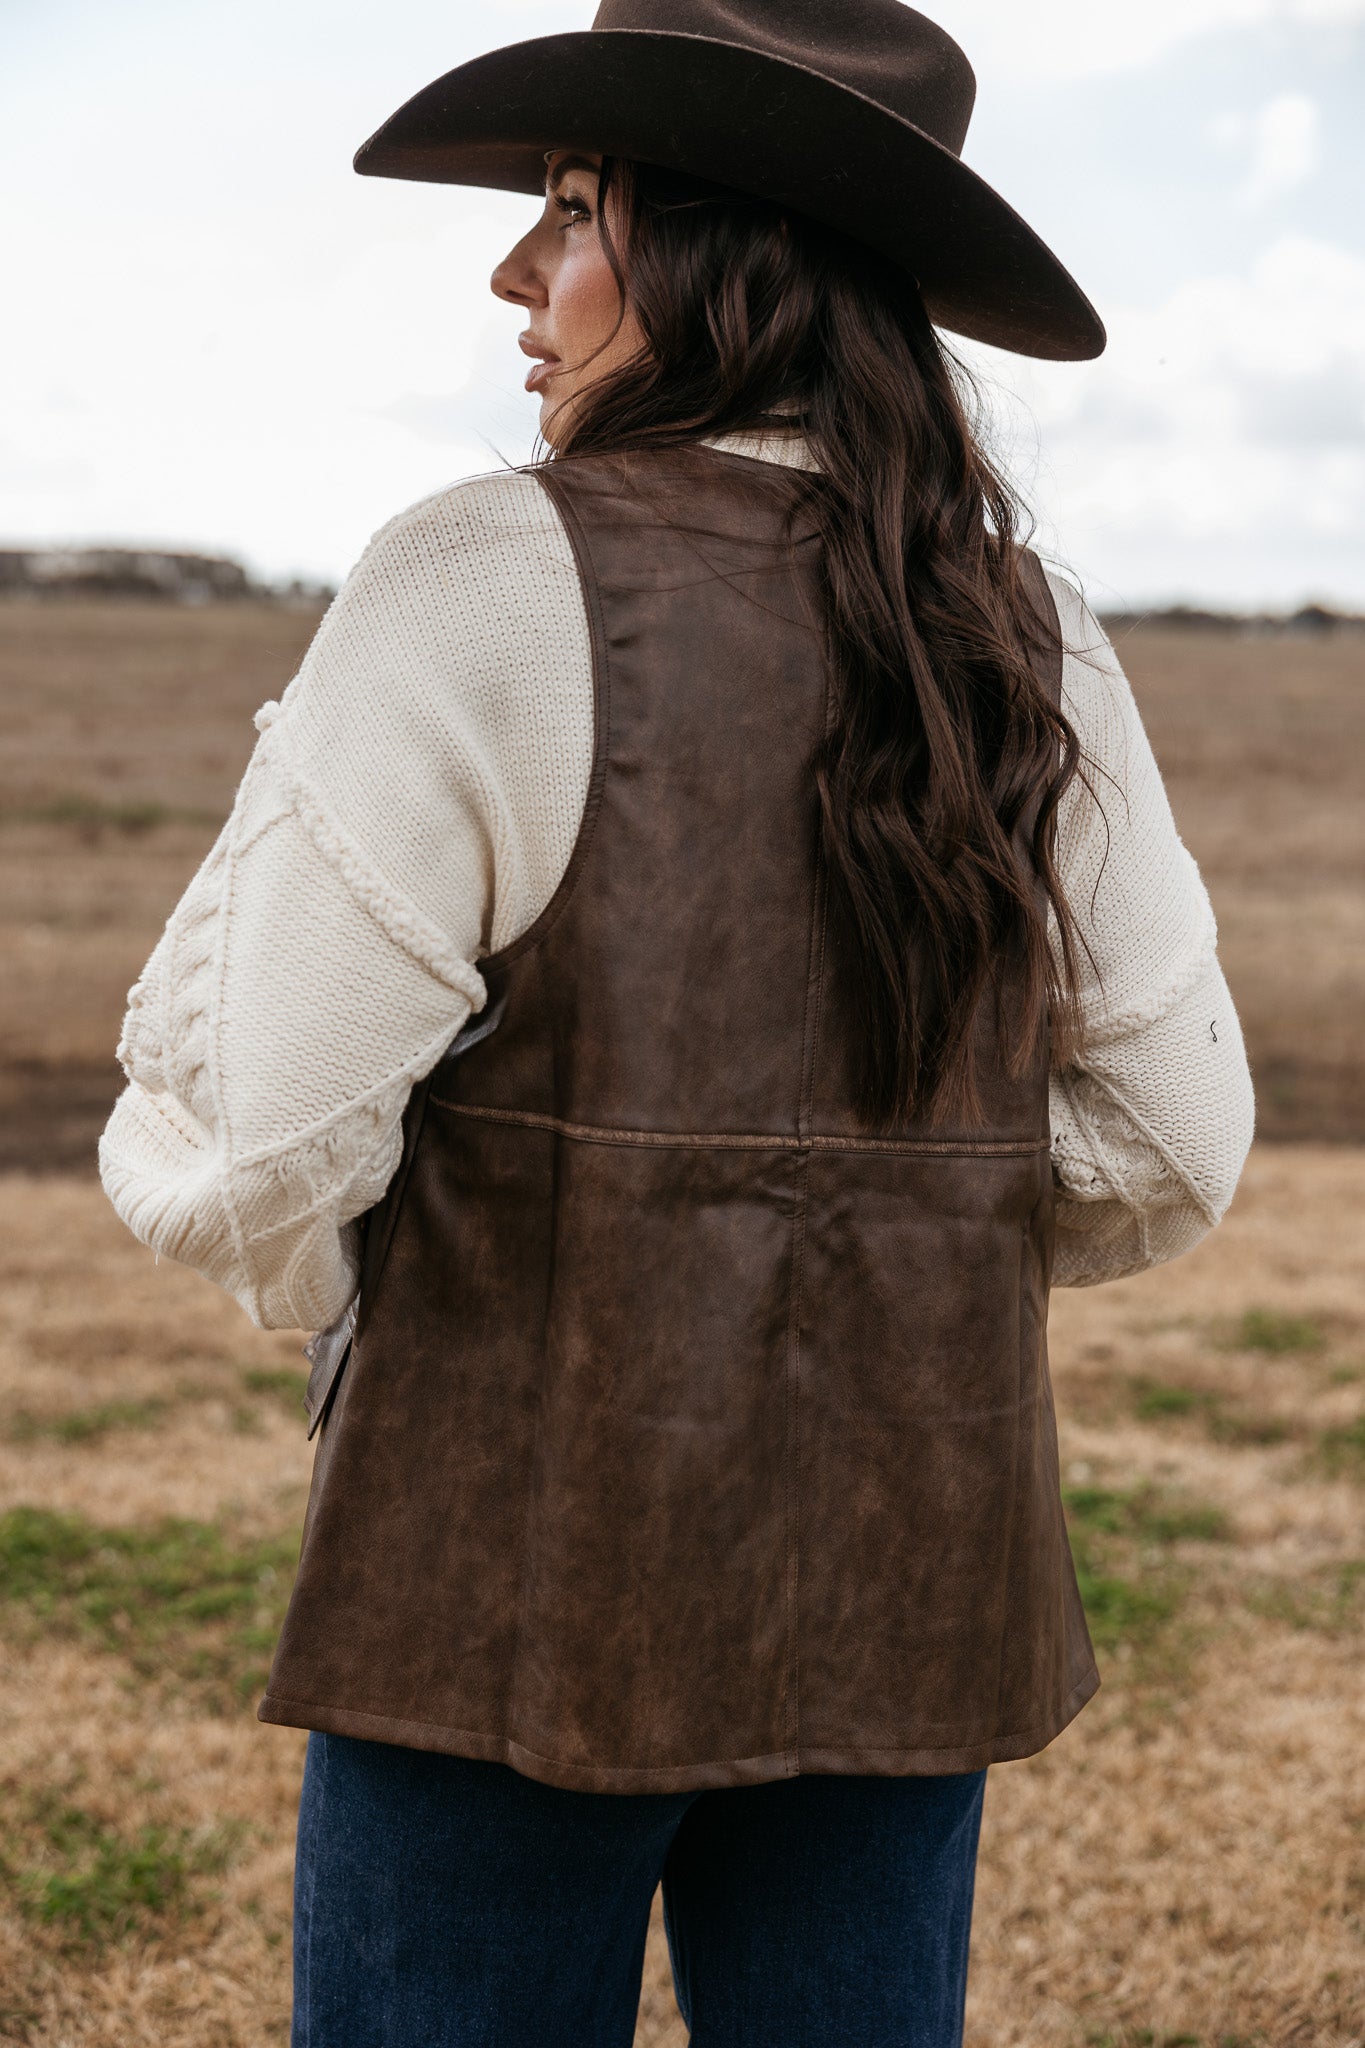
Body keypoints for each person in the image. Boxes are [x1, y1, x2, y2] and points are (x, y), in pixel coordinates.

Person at [98, 3, 1256, 2043]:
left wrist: (215, 1196)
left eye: (565, 209)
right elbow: (1170, 1137)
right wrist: (904, 1227)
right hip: (911, 1571)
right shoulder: (1023, 616)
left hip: (501, 1581)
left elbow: (272, 1151)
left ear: (727, 244)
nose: (513, 276)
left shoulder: (478, 569)